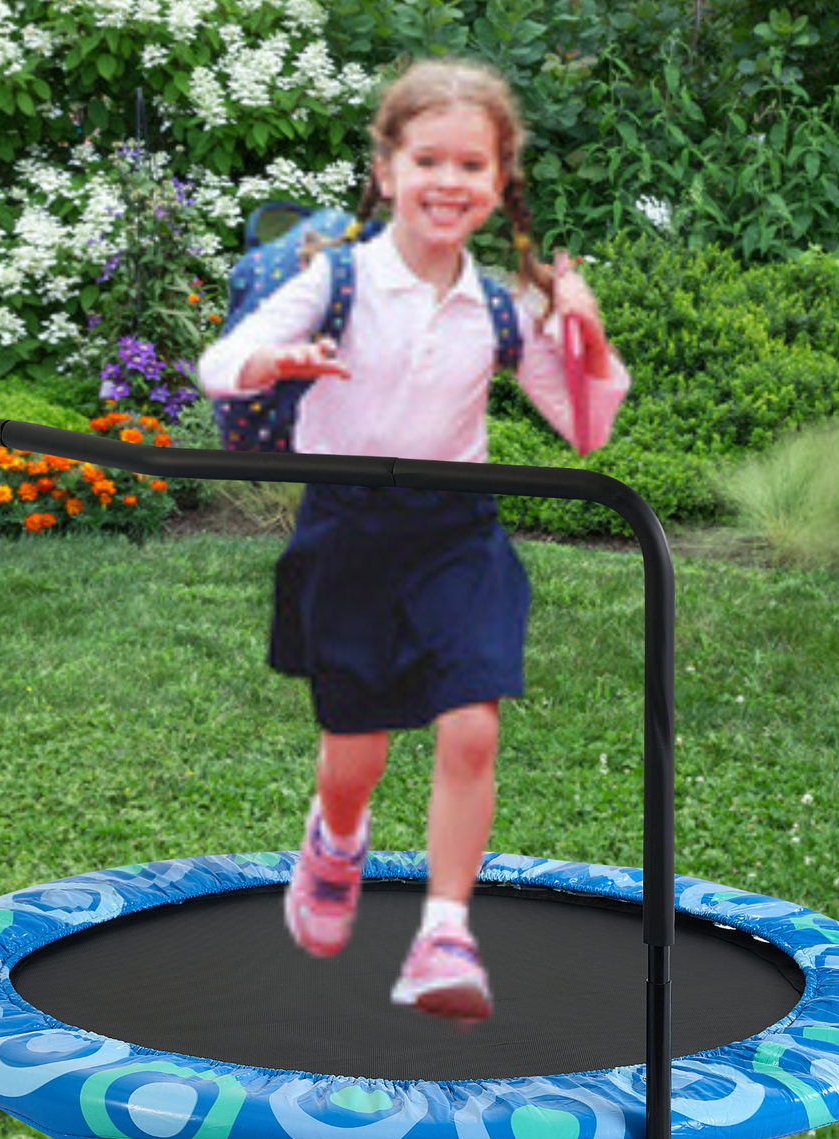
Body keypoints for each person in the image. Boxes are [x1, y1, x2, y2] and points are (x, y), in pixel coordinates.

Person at [197, 56, 630, 1024]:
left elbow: (586, 425)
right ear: (386, 169)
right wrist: (274, 359)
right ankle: (334, 837)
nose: (447, 180)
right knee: (356, 748)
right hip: (347, 530)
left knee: (470, 722)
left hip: (455, 533)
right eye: (425, 157)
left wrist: (584, 334)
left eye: (469, 165)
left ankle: (443, 930)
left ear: (497, 182)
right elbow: (220, 363)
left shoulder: (497, 304)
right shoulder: (337, 277)